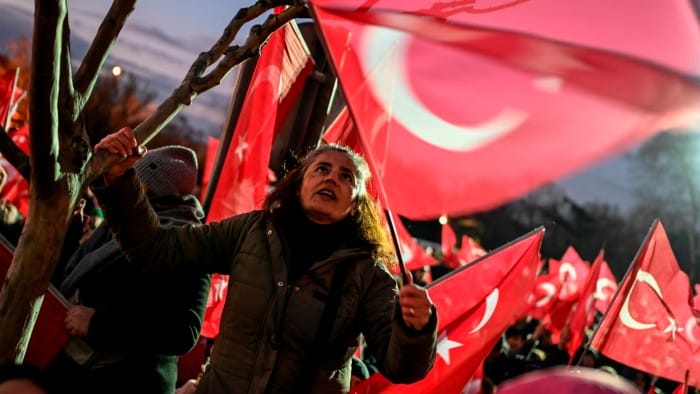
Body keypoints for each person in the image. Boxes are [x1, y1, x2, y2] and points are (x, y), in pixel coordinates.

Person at [91, 127, 438, 393]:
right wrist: (121, 182)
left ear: (357, 204)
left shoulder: (369, 275)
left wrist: (416, 329)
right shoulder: (250, 231)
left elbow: (400, 367)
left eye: (347, 177)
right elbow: (158, 249)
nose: (332, 177)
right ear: (299, 183)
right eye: (321, 169)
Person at [45, 146, 212, 394]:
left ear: (146, 188)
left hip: (129, 382)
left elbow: (182, 330)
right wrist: (68, 233)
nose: (120, 184)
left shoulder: (187, 243)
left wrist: (98, 323)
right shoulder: (123, 220)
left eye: (131, 178)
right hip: (73, 367)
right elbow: (80, 277)